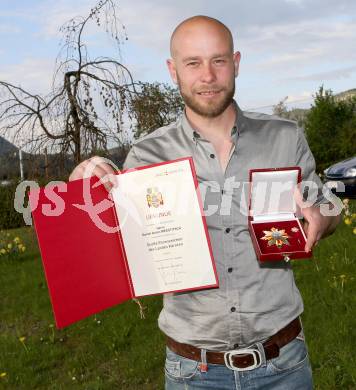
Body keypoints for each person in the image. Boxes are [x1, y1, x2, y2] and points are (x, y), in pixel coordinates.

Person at [70, 15, 341, 390]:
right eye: (193, 63)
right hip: (193, 373)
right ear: (173, 70)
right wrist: (81, 187)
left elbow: (326, 203)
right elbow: (104, 242)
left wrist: (322, 217)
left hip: (284, 365)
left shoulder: (285, 136)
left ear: (236, 63)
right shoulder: (147, 156)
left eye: (218, 60)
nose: (208, 76)